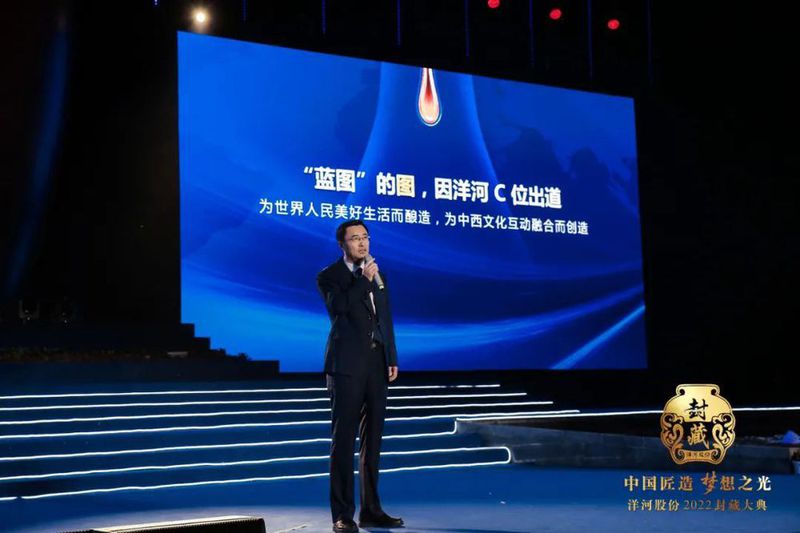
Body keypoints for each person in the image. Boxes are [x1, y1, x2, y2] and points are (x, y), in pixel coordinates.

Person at [316, 220, 404, 532]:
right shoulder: (330, 276)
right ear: (342, 244)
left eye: (365, 237)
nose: (362, 243)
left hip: (376, 363)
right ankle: (342, 514)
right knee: (343, 441)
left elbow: (385, 318)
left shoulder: (377, 274)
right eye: (355, 238)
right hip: (346, 366)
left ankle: (372, 510)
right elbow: (339, 308)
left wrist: (391, 356)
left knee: (373, 440)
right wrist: (364, 281)